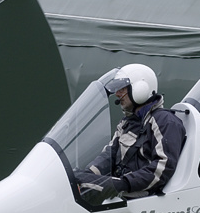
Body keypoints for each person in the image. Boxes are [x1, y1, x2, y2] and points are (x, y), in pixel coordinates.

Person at [74, 63, 185, 205]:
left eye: (122, 89)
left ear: (141, 88)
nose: (118, 94)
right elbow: (110, 154)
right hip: (122, 187)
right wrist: (89, 174)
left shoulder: (166, 122)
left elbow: (162, 169)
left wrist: (122, 184)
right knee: (72, 178)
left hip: (144, 196)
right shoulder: (128, 122)